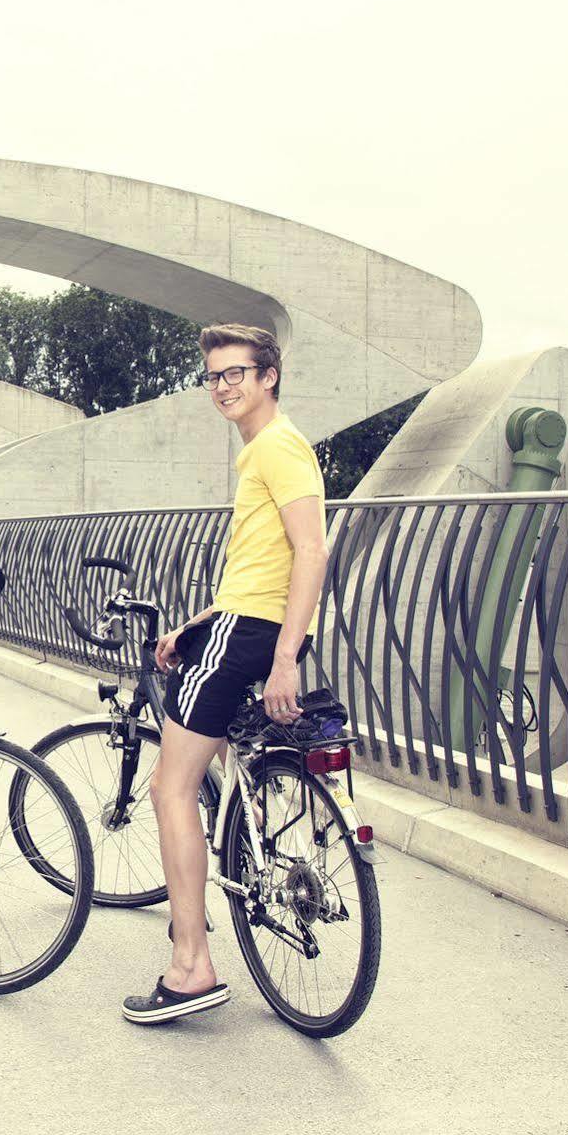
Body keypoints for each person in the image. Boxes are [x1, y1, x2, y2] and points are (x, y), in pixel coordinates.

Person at [122, 324, 328, 1024]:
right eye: (213, 376)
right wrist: (195, 624)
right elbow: (260, 569)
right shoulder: (262, 452)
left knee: (167, 788)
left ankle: (189, 968)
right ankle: (248, 834)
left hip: (253, 637)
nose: (223, 387)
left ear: (270, 376)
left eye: (236, 373)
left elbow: (311, 550)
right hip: (238, 623)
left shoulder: (278, 446)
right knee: (206, 765)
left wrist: (283, 659)